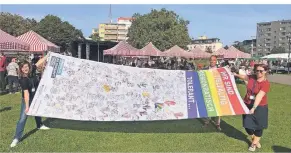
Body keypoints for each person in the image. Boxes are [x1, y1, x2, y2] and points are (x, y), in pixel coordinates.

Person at [10, 56, 50, 148]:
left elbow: (39, 62)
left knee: (37, 112)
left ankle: (39, 125)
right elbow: (26, 94)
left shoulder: (31, 72)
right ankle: (16, 138)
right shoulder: (23, 80)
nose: (26, 69)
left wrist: (48, 55)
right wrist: (27, 107)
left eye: (26, 66)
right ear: (21, 69)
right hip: (27, 99)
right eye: (23, 67)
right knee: (22, 118)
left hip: (35, 97)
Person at [233, 64, 270, 152]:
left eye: (261, 71)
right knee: (247, 125)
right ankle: (255, 140)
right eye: (257, 70)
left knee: (258, 126)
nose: (258, 72)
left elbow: (259, 96)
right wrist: (235, 74)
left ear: (265, 71)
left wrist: (253, 107)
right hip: (247, 103)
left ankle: (253, 144)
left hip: (260, 106)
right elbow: (244, 77)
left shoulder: (266, 83)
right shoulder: (251, 77)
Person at [202, 55, 221, 131]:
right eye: (211, 60)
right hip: (208, 91)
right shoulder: (205, 69)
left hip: (217, 91)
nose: (212, 61)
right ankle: (207, 121)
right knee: (208, 107)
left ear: (216, 61)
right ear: (209, 61)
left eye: (214, 60)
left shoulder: (220, 70)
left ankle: (218, 124)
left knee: (218, 108)